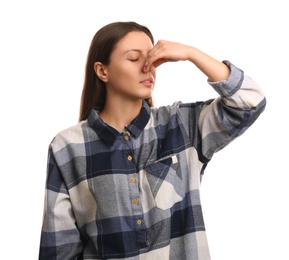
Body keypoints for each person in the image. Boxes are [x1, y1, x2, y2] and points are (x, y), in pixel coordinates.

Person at [38, 21, 266, 260]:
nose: (148, 67)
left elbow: (250, 101)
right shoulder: (67, 147)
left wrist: (191, 54)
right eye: (134, 59)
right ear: (102, 71)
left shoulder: (181, 125)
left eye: (152, 59)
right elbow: (59, 249)